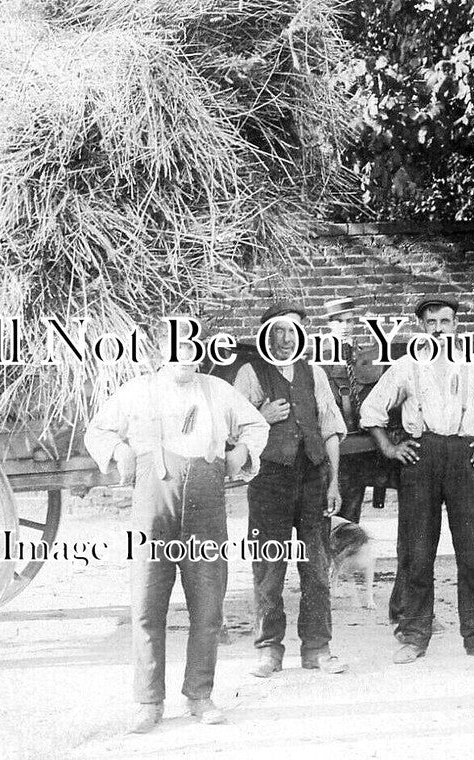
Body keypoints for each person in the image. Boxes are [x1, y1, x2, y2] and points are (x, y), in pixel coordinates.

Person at [84, 324, 269, 734]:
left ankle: (200, 694)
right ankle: (148, 701)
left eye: (191, 347)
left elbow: (258, 426)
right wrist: (118, 448)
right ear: (160, 352)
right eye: (175, 347)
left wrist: (241, 450)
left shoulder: (217, 391)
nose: (184, 354)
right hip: (155, 506)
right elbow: (97, 429)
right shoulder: (138, 390)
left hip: (206, 508)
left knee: (208, 605)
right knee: (148, 604)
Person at [359, 296, 474, 663]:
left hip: (465, 458)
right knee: (418, 550)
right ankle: (415, 636)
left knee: (470, 550)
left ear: (455, 326)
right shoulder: (405, 367)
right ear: (421, 325)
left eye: (445, 321)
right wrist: (389, 448)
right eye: (431, 321)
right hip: (422, 457)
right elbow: (370, 410)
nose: (438, 328)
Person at [231, 301, 348, 677]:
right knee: (269, 566)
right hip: (270, 481)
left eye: (293, 330)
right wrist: (260, 418)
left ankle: (317, 647)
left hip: (313, 478)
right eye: (278, 330)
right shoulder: (250, 373)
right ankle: (269, 649)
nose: (285, 338)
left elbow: (330, 430)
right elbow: (232, 431)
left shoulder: (314, 375)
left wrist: (333, 481)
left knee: (316, 566)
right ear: (266, 334)